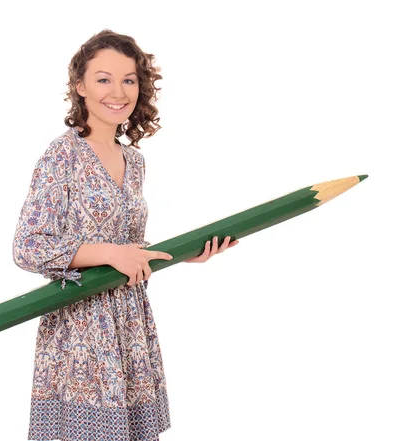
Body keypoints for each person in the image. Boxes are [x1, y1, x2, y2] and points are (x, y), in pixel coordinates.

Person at [12, 29, 239, 441]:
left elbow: (128, 246)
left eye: (129, 80)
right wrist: (111, 254)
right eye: (103, 79)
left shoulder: (134, 161)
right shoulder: (61, 154)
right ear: (79, 86)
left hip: (129, 322)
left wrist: (182, 254)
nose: (118, 91)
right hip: (80, 325)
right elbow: (29, 247)